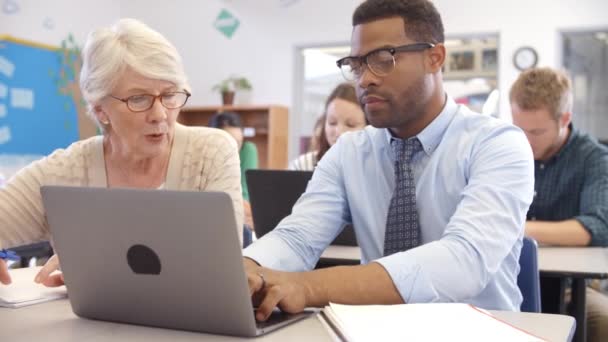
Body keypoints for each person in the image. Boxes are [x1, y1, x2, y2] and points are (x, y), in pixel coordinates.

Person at [243, 0, 534, 322]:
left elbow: (465, 260)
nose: (364, 80)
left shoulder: (497, 143)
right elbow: (298, 237)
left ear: (434, 58)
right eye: (356, 65)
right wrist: (250, 268)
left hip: (479, 329)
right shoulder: (350, 151)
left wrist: (308, 287)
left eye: (383, 60)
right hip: (377, 328)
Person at [0, 18, 243, 286]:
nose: (160, 114)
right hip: (91, 328)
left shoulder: (211, 153)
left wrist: (100, 262)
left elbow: (223, 267)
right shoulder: (64, 170)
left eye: (170, 94)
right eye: (139, 99)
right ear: (101, 109)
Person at [510, 67, 608, 341]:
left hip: (573, 286)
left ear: (565, 119)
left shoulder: (593, 159)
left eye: (537, 131)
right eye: (519, 129)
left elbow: (597, 227)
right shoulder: (505, 150)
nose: (525, 141)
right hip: (508, 277)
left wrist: (519, 228)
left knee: (603, 322)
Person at [290, 83, 367, 170]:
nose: (339, 132)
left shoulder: (376, 167)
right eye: (332, 123)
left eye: (350, 125)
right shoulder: (302, 166)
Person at [208, 112, 258, 244]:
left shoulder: (247, 150)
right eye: (228, 143)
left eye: (238, 143)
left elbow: (245, 193)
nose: (234, 149)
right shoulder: (205, 156)